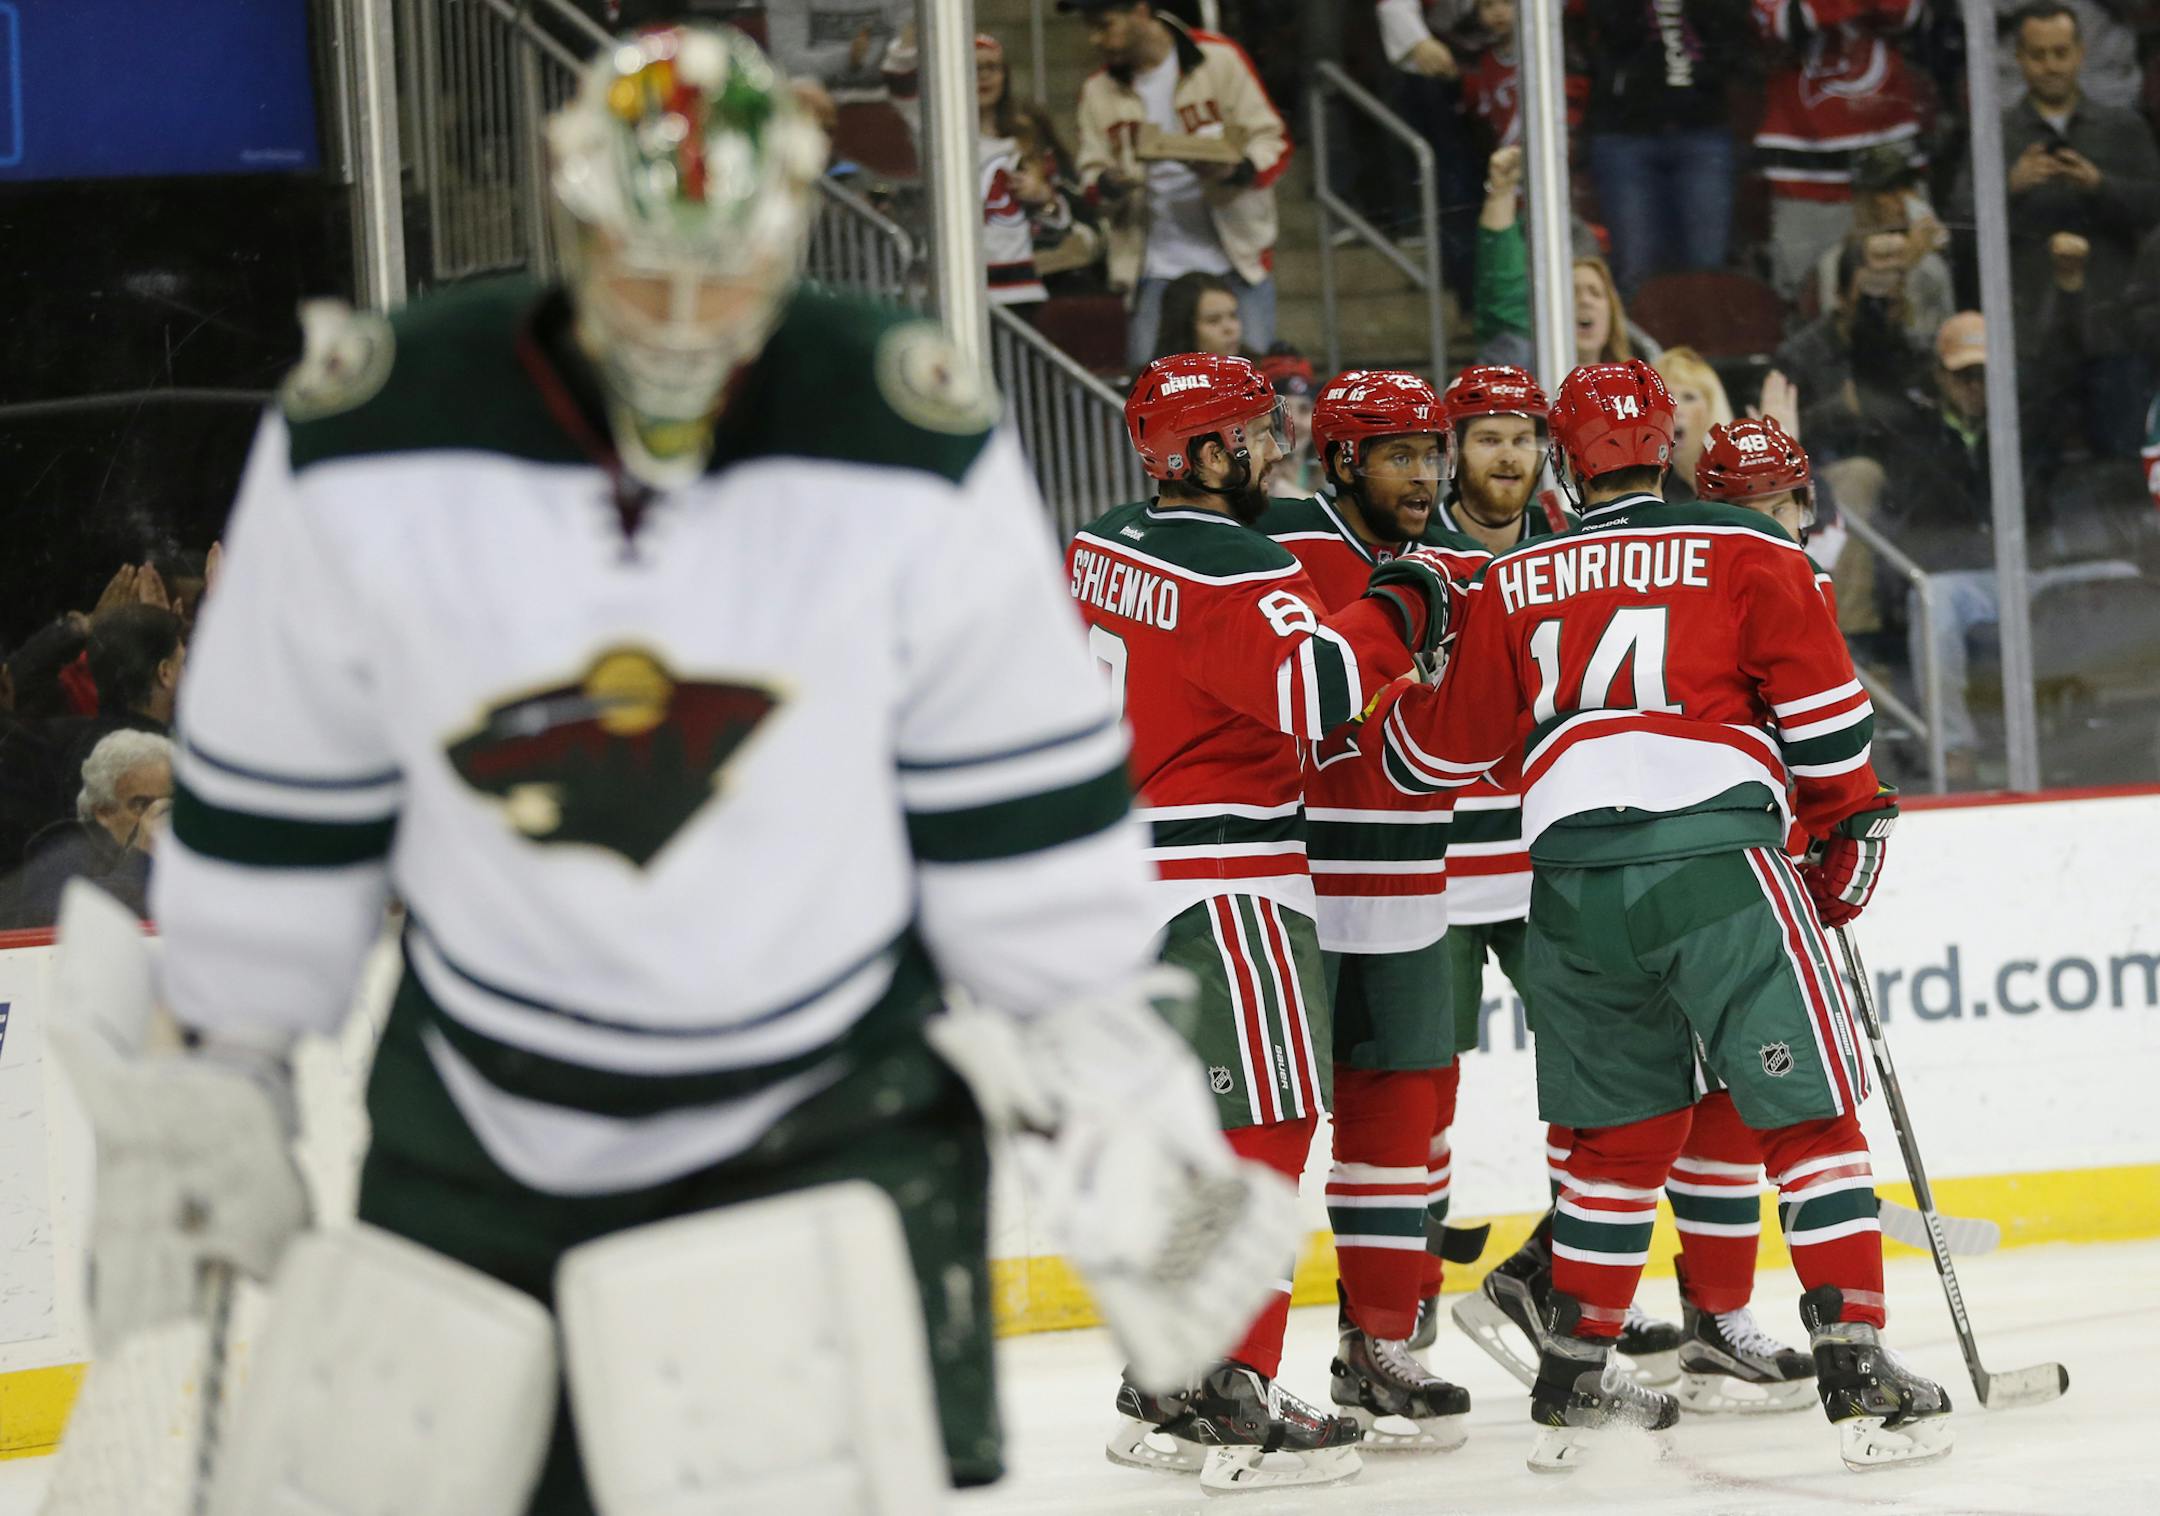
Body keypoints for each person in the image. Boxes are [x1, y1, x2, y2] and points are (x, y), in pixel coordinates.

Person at [62, 27, 1305, 1516]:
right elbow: (279, 815)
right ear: (573, 217)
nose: (689, 317)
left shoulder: (902, 425)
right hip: (485, 1109)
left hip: (836, 1111)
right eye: (648, 266)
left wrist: (1113, 1090)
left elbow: (1016, 816)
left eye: (732, 268)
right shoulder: (373, 432)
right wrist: (220, 1069)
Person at [1388, 359, 1952, 1473]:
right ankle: (1856, 1362)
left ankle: (1573, 1377)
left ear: (1560, 456)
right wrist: (1842, 834)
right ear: (1670, 445)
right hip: (1715, 865)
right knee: (1807, 1114)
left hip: (1569, 888)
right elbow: (1833, 728)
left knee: (1614, 1139)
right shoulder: (1746, 549)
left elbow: (1431, 756)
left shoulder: (1515, 577)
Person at [1071, 352, 1448, 1491]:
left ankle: (1165, 1374)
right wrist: (1406, 597)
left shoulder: (1101, 542)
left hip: (1128, 873)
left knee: (1194, 1145)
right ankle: (1238, 1385)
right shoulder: (1238, 559)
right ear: (1199, 453)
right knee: (1268, 1134)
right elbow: (1315, 690)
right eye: (1249, 435)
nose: (1271, 449)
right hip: (1226, 875)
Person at [1257, 371, 1483, 1451]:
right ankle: (1194, 1363)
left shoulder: (1433, 565)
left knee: (1400, 1118)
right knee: (1260, 1135)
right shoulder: (1280, 551)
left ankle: (1378, 1346)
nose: (1427, 476)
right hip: (1291, 884)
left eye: (1433, 455)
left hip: (1404, 881)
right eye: (1401, 455)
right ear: (1343, 459)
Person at [1976, 0, 2160, 457]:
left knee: (2123, 459)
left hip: (2111, 325)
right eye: (2038, 54)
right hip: (2029, 335)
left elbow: (2154, 208)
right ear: (2019, 59)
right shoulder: (1994, 134)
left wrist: (2101, 185)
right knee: (2029, 467)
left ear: (2080, 53)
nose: (2050, 66)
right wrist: (2010, 187)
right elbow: (1962, 224)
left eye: (2060, 52)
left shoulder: (2123, 128)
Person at [1066, 0, 1293, 366]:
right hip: (1152, 266)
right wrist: (1112, 183)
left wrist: (1234, 170)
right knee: (1152, 395)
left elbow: (1273, 141)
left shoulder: (1217, 59)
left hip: (1235, 260)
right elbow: (1090, 178)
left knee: (1249, 388)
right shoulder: (1098, 90)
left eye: (1105, 24)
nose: (1096, 39)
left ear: (1140, 10)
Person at [1753, 0, 1929, 297]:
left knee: (1913, 288)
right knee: (1809, 294)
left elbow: (1912, 15)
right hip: (1805, 167)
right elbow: (1782, 24)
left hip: (1890, 159)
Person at [1578, 0, 1752, 294]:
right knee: (1636, 268)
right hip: (1626, 132)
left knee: (1706, 266)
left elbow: (1732, 30)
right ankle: (1634, 340)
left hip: (1702, 129)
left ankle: (1700, 340)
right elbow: (1609, 24)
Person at [882, 32, 1056, 307]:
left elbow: (1058, 223)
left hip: (1018, 292)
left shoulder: (1024, 137)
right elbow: (899, 78)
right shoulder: (936, 131)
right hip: (954, 292)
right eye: (973, 69)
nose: (984, 77)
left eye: (992, 68)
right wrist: (912, 26)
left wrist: (1043, 198)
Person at [0, 728, 168, 928]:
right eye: (141, 805)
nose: (158, 816)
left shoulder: (179, 861)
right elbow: (62, 926)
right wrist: (140, 860)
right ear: (103, 812)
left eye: (169, 804)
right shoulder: (64, 850)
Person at [1648, 347, 1734, 505]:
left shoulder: (1734, 478)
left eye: (1689, 397)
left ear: (1712, 408)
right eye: (1667, 396)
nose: (1676, 408)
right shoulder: (1641, 482)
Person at [1257, 345, 1318, 496]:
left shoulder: (1328, 473)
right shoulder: (1250, 481)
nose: (1295, 422)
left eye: (1304, 409)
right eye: (1283, 410)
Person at [1150, 269, 1246, 363]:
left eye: (1233, 316)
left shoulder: (1256, 372)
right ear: (1184, 328)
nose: (1230, 329)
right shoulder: (1154, 377)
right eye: (1213, 320)